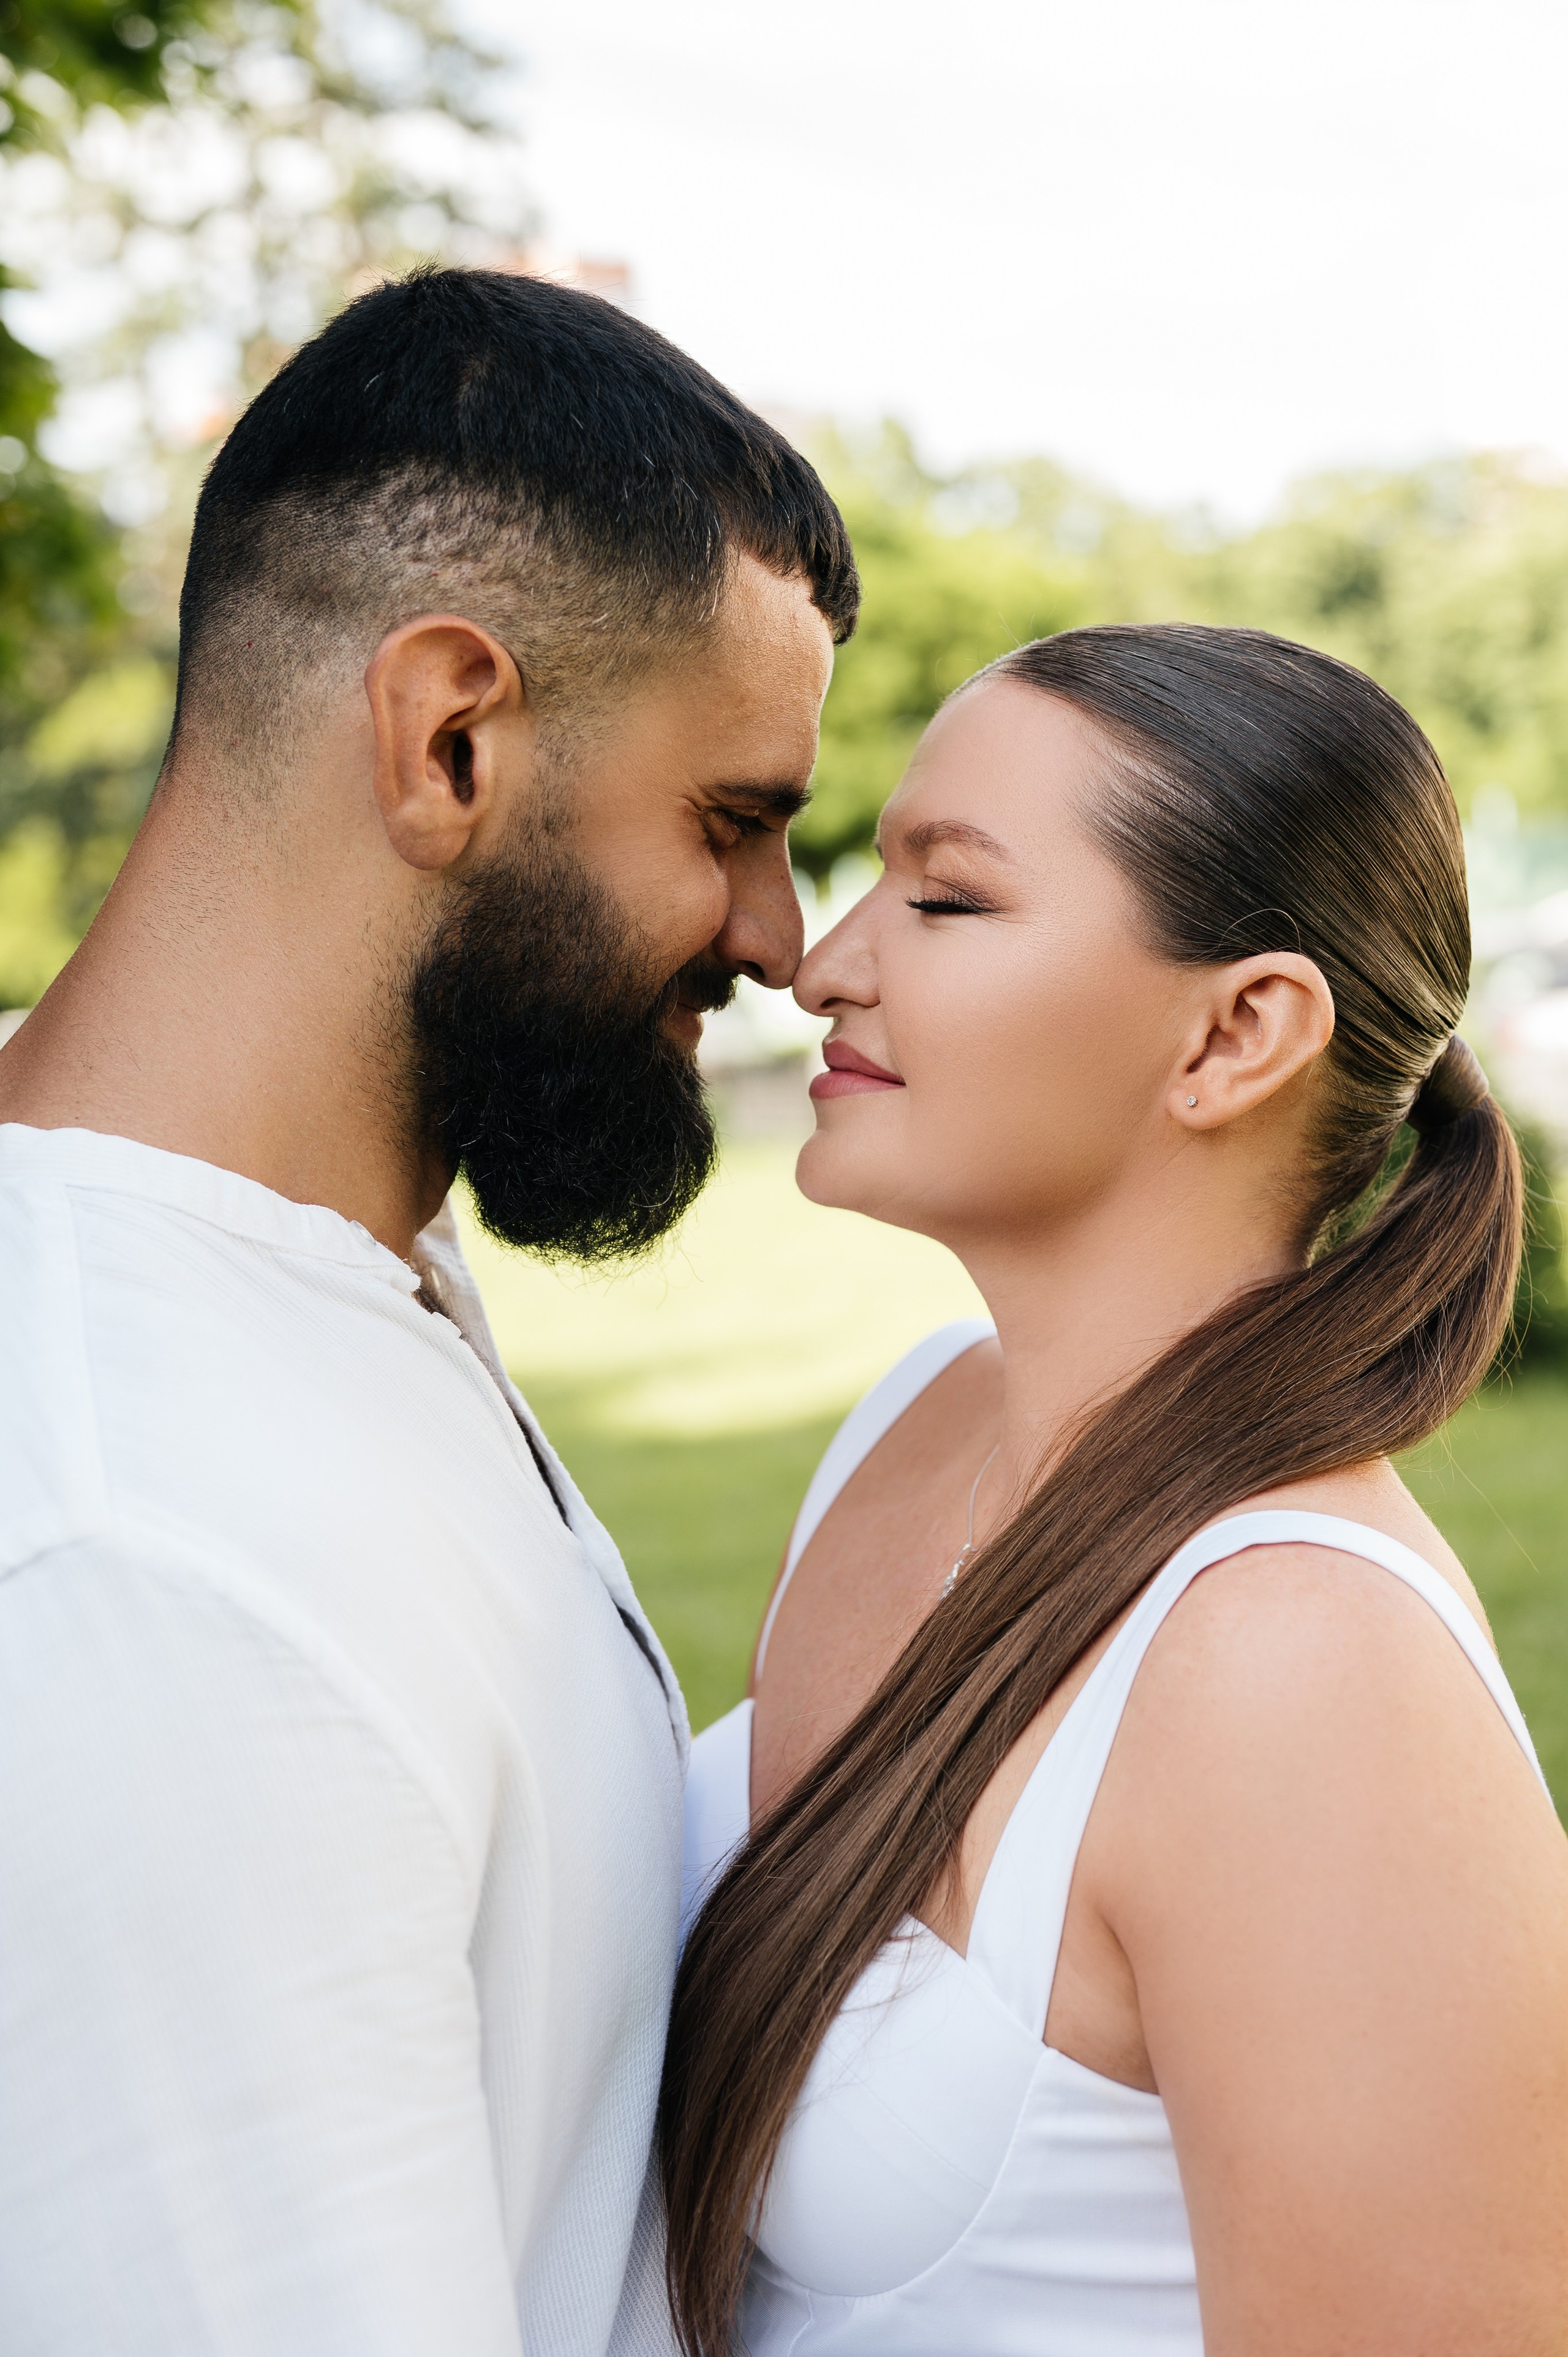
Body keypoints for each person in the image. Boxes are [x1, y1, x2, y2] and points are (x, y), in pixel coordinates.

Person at [0, 267, 856, 2356]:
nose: (781, 939)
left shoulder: (331, 1283)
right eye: (732, 822)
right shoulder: (138, 1554)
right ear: (449, 734)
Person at [667, 625, 1568, 2356]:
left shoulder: (1297, 1670)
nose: (825, 962)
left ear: (1236, 1034)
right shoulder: (917, 1425)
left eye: (946, 903)